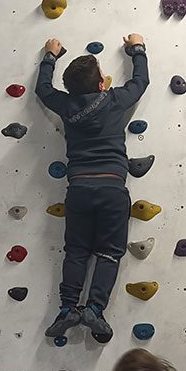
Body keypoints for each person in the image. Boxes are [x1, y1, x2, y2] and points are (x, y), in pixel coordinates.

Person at [35, 34, 149, 343]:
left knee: (76, 251)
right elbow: (140, 82)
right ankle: (95, 309)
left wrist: (50, 56)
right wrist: (137, 49)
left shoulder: (66, 104)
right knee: (109, 252)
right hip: (112, 188)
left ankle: (67, 308)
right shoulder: (113, 100)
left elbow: (43, 90)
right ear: (101, 84)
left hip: (80, 188)